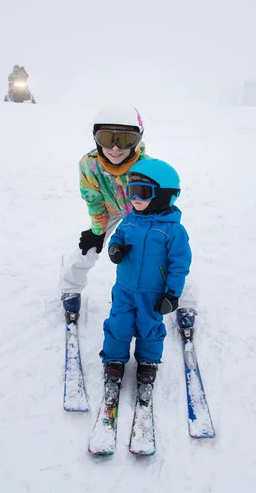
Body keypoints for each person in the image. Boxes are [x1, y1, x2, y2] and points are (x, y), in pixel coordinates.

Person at [100, 158, 192, 388]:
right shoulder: (130, 220)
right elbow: (117, 237)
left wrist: (172, 294)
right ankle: (114, 359)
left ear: (163, 195)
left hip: (152, 293)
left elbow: (180, 264)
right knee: (118, 324)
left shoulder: (174, 230)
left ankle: (148, 362)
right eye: (131, 192)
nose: (135, 199)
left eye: (142, 192)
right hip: (124, 288)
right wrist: (115, 248)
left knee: (149, 328)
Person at [61, 104, 148, 320]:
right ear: (96, 138)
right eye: (107, 138)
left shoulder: (147, 167)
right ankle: (71, 286)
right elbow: (93, 198)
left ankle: (185, 299)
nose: (116, 148)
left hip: (138, 212)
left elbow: (155, 201)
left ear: (137, 140)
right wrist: (98, 231)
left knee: (160, 250)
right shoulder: (89, 164)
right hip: (108, 209)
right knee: (89, 246)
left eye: (125, 140)